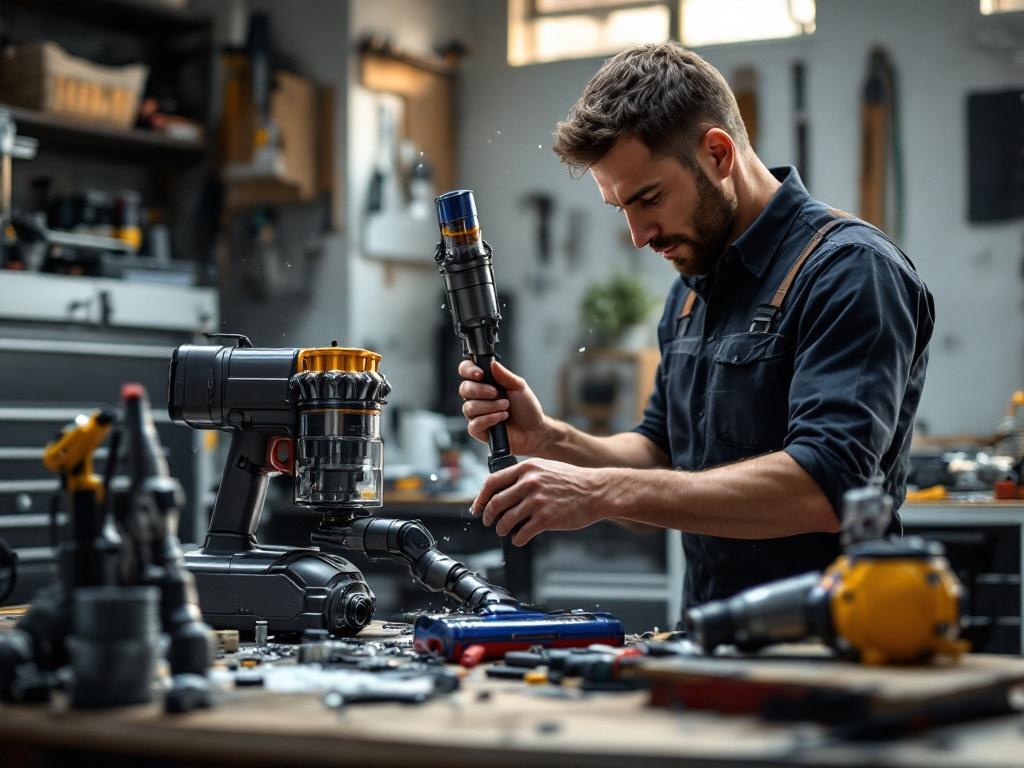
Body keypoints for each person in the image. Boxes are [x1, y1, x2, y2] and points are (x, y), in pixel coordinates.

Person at [458, 43, 934, 609]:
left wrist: (602, 488)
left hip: (831, 650)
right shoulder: (691, 291)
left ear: (717, 152)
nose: (638, 235)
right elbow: (661, 463)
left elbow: (828, 486)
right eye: (621, 209)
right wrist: (552, 441)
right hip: (710, 645)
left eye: (649, 198)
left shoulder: (851, 271)